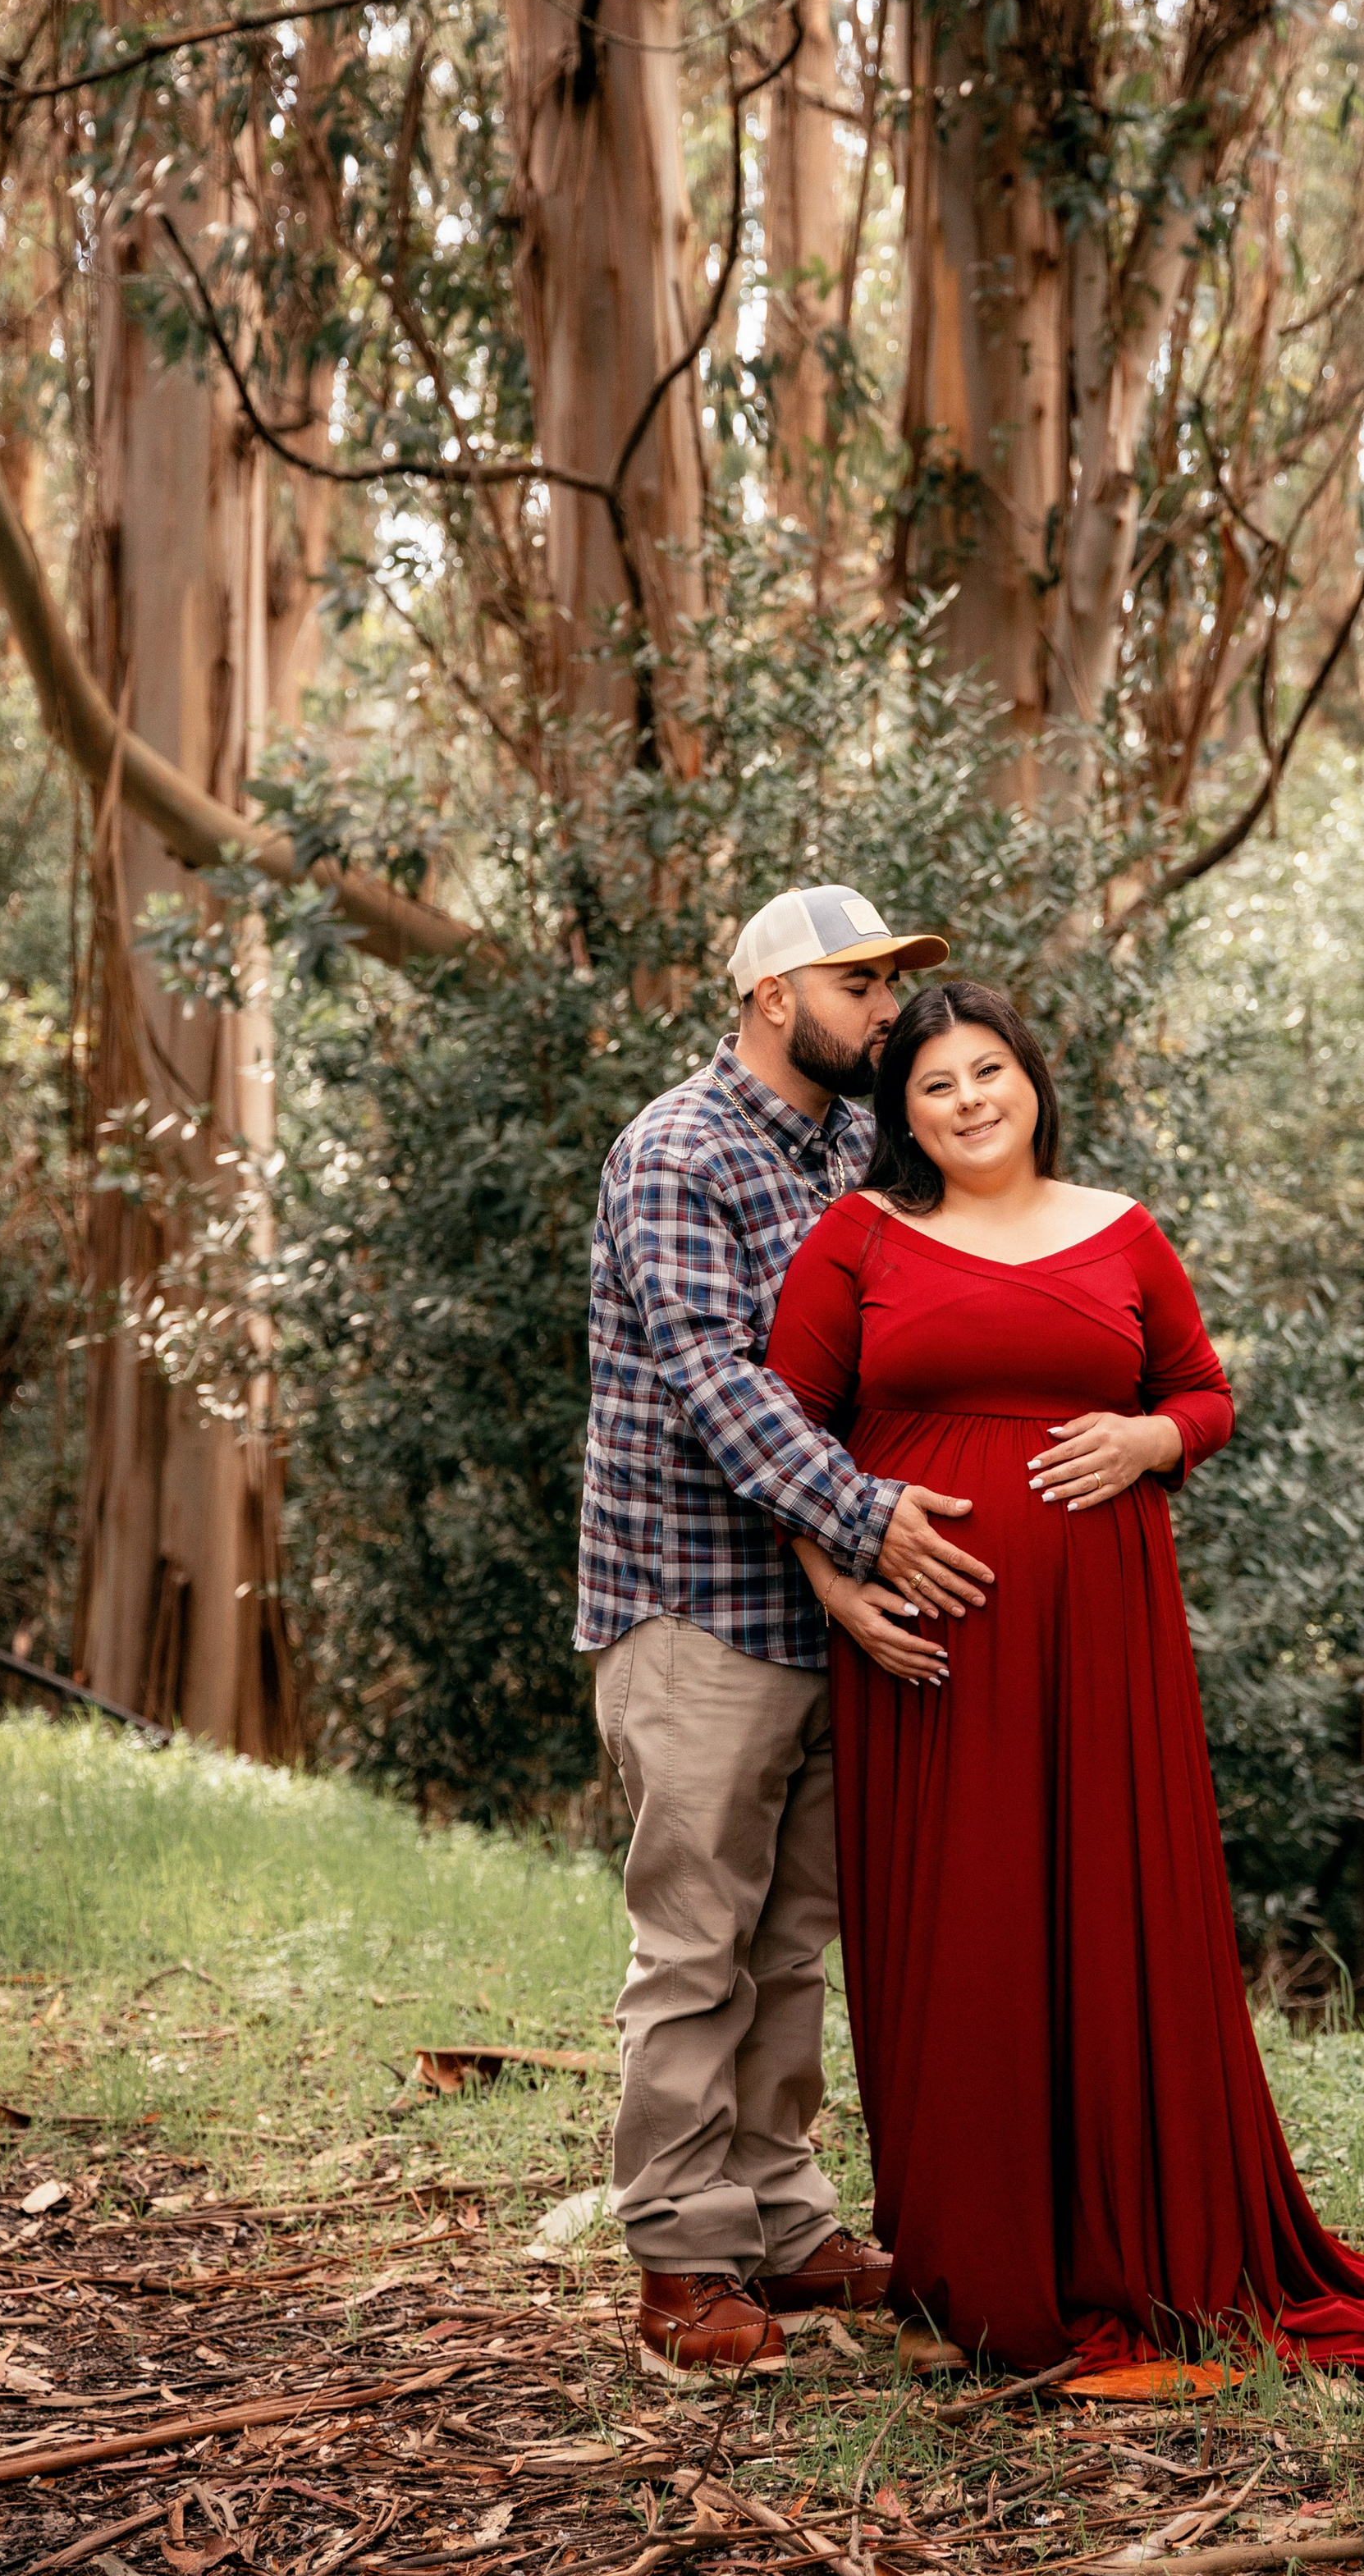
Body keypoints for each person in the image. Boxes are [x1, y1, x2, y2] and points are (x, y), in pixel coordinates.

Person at [767, 981, 1364, 2377]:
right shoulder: (860, 1236)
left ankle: (1130, 2243)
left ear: (1034, 1081)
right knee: (963, 1934)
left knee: (1109, 1918)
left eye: (991, 1071)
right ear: (901, 1113)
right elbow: (783, 1425)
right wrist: (838, 1585)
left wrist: (1150, 1444)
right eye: (936, 1084)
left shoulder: (1121, 1230)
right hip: (929, 1648)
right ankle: (971, 2264)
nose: (970, 1099)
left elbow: (1206, 1393)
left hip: (1106, 1641)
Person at [577, 886, 994, 2374]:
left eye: (894, 982)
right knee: (697, 1942)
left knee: (794, 1934)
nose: (888, 1010)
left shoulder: (845, 1156)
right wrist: (871, 1520)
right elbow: (717, 1384)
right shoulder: (680, 1150)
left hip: (828, 1613)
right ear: (770, 995)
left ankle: (778, 2213)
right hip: (697, 1602)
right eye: (861, 982)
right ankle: (682, 2264)